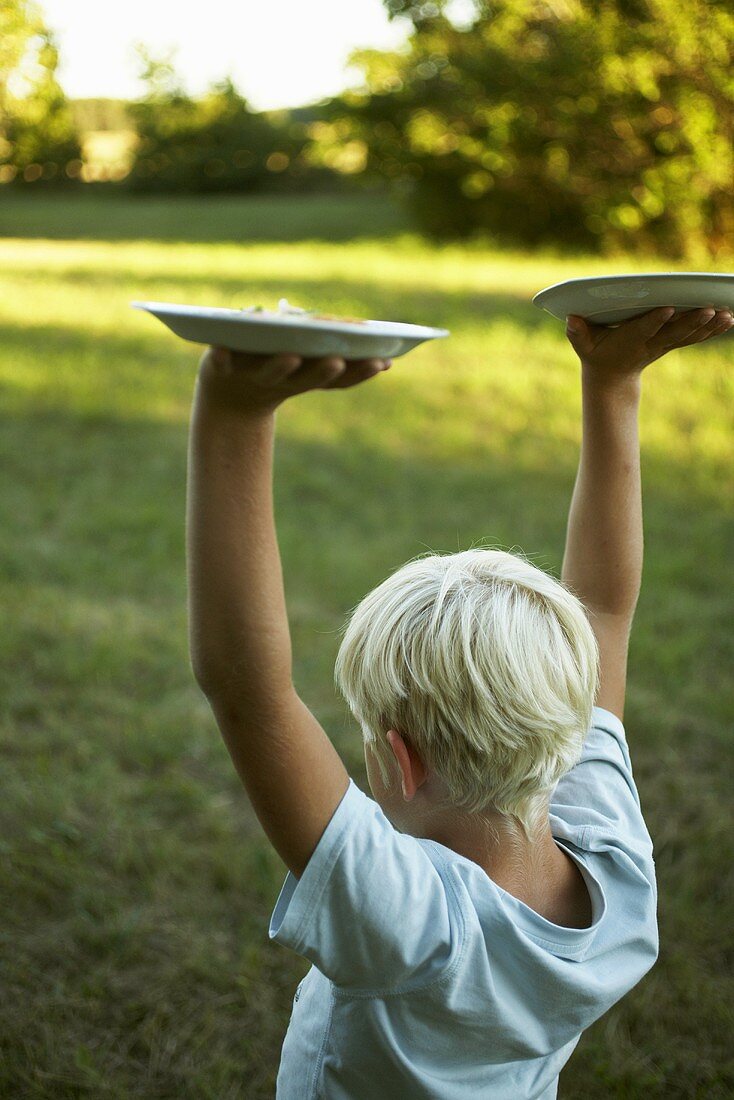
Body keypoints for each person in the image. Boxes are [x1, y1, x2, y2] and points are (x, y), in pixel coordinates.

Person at [185, 303, 733, 1099]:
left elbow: (248, 693)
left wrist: (232, 414)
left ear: (399, 760)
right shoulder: (615, 864)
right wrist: (613, 383)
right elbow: (606, 612)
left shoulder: (410, 923)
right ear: (568, 722)